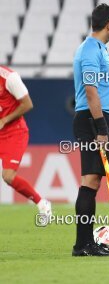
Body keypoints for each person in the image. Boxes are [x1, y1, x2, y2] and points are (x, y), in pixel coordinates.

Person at [72, 3, 109, 257]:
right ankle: (82, 245)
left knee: (94, 180)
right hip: (93, 120)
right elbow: (91, 91)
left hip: (98, 119)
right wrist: (101, 128)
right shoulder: (91, 50)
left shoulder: (97, 49)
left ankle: (86, 242)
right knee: (90, 180)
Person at [0, 66, 52, 217]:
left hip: (13, 133)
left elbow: (27, 104)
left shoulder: (9, 77)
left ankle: (42, 203)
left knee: (8, 176)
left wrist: (5, 120)